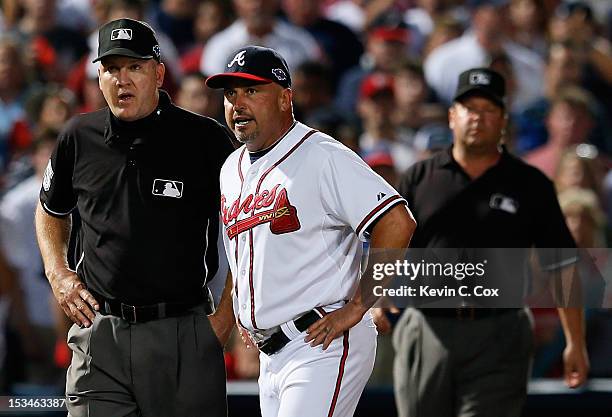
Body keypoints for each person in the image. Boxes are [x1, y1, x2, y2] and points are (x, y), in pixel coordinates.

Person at [34, 18, 234, 417]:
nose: (121, 80)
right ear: (98, 77)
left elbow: (248, 230)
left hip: (182, 331)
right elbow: (49, 210)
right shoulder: (78, 136)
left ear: (159, 73)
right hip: (99, 335)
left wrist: (224, 319)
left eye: (134, 67)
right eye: (110, 69)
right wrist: (58, 274)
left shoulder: (205, 140)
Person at [206, 45, 416, 417]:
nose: (237, 103)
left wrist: (358, 306)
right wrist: (240, 312)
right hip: (270, 353)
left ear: (285, 98)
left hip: (322, 339)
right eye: (230, 93)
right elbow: (241, 258)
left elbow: (397, 222)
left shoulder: (321, 155)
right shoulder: (230, 167)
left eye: (251, 91)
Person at [377, 67, 589, 417]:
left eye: (488, 110)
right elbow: (388, 240)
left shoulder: (529, 183)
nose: (477, 118)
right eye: (469, 108)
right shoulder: (420, 177)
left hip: (500, 330)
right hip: (428, 325)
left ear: (503, 119)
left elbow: (562, 264)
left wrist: (575, 342)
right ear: (451, 117)